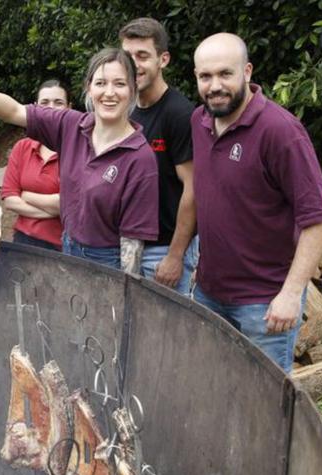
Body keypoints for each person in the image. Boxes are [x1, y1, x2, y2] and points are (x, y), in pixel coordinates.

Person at [191, 33, 322, 373]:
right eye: (205, 76)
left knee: (264, 407)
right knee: (212, 388)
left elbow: (321, 217)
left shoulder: (280, 131)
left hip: (264, 304)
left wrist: (291, 293)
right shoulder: (199, 122)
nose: (215, 85)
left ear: (247, 72)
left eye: (225, 74)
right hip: (209, 294)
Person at [0, 48, 159, 275]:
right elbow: (14, 111)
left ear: (133, 90)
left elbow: (132, 241)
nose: (109, 93)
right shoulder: (71, 125)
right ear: (89, 88)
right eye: (101, 83)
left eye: (120, 84)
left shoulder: (140, 157)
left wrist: (126, 288)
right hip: (67, 246)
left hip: (107, 261)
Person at [120, 18, 198, 295]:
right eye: (128, 56)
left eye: (143, 56)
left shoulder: (179, 113)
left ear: (163, 59)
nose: (134, 65)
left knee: (167, 336)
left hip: (164, 251)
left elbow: (194, 189)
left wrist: (175, 256)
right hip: (128, 246)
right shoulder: (125, 112)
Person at [0, 80, 69, 251]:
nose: (51, 108)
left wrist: (26, 196)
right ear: (36, 108)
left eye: (58, 102)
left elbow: (68, 204)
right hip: (24, 243)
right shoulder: (22, 147)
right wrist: (53, 210)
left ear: (69, 108)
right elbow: (9, 200)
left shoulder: (77, 150)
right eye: (45, 102)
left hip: (63, 247)